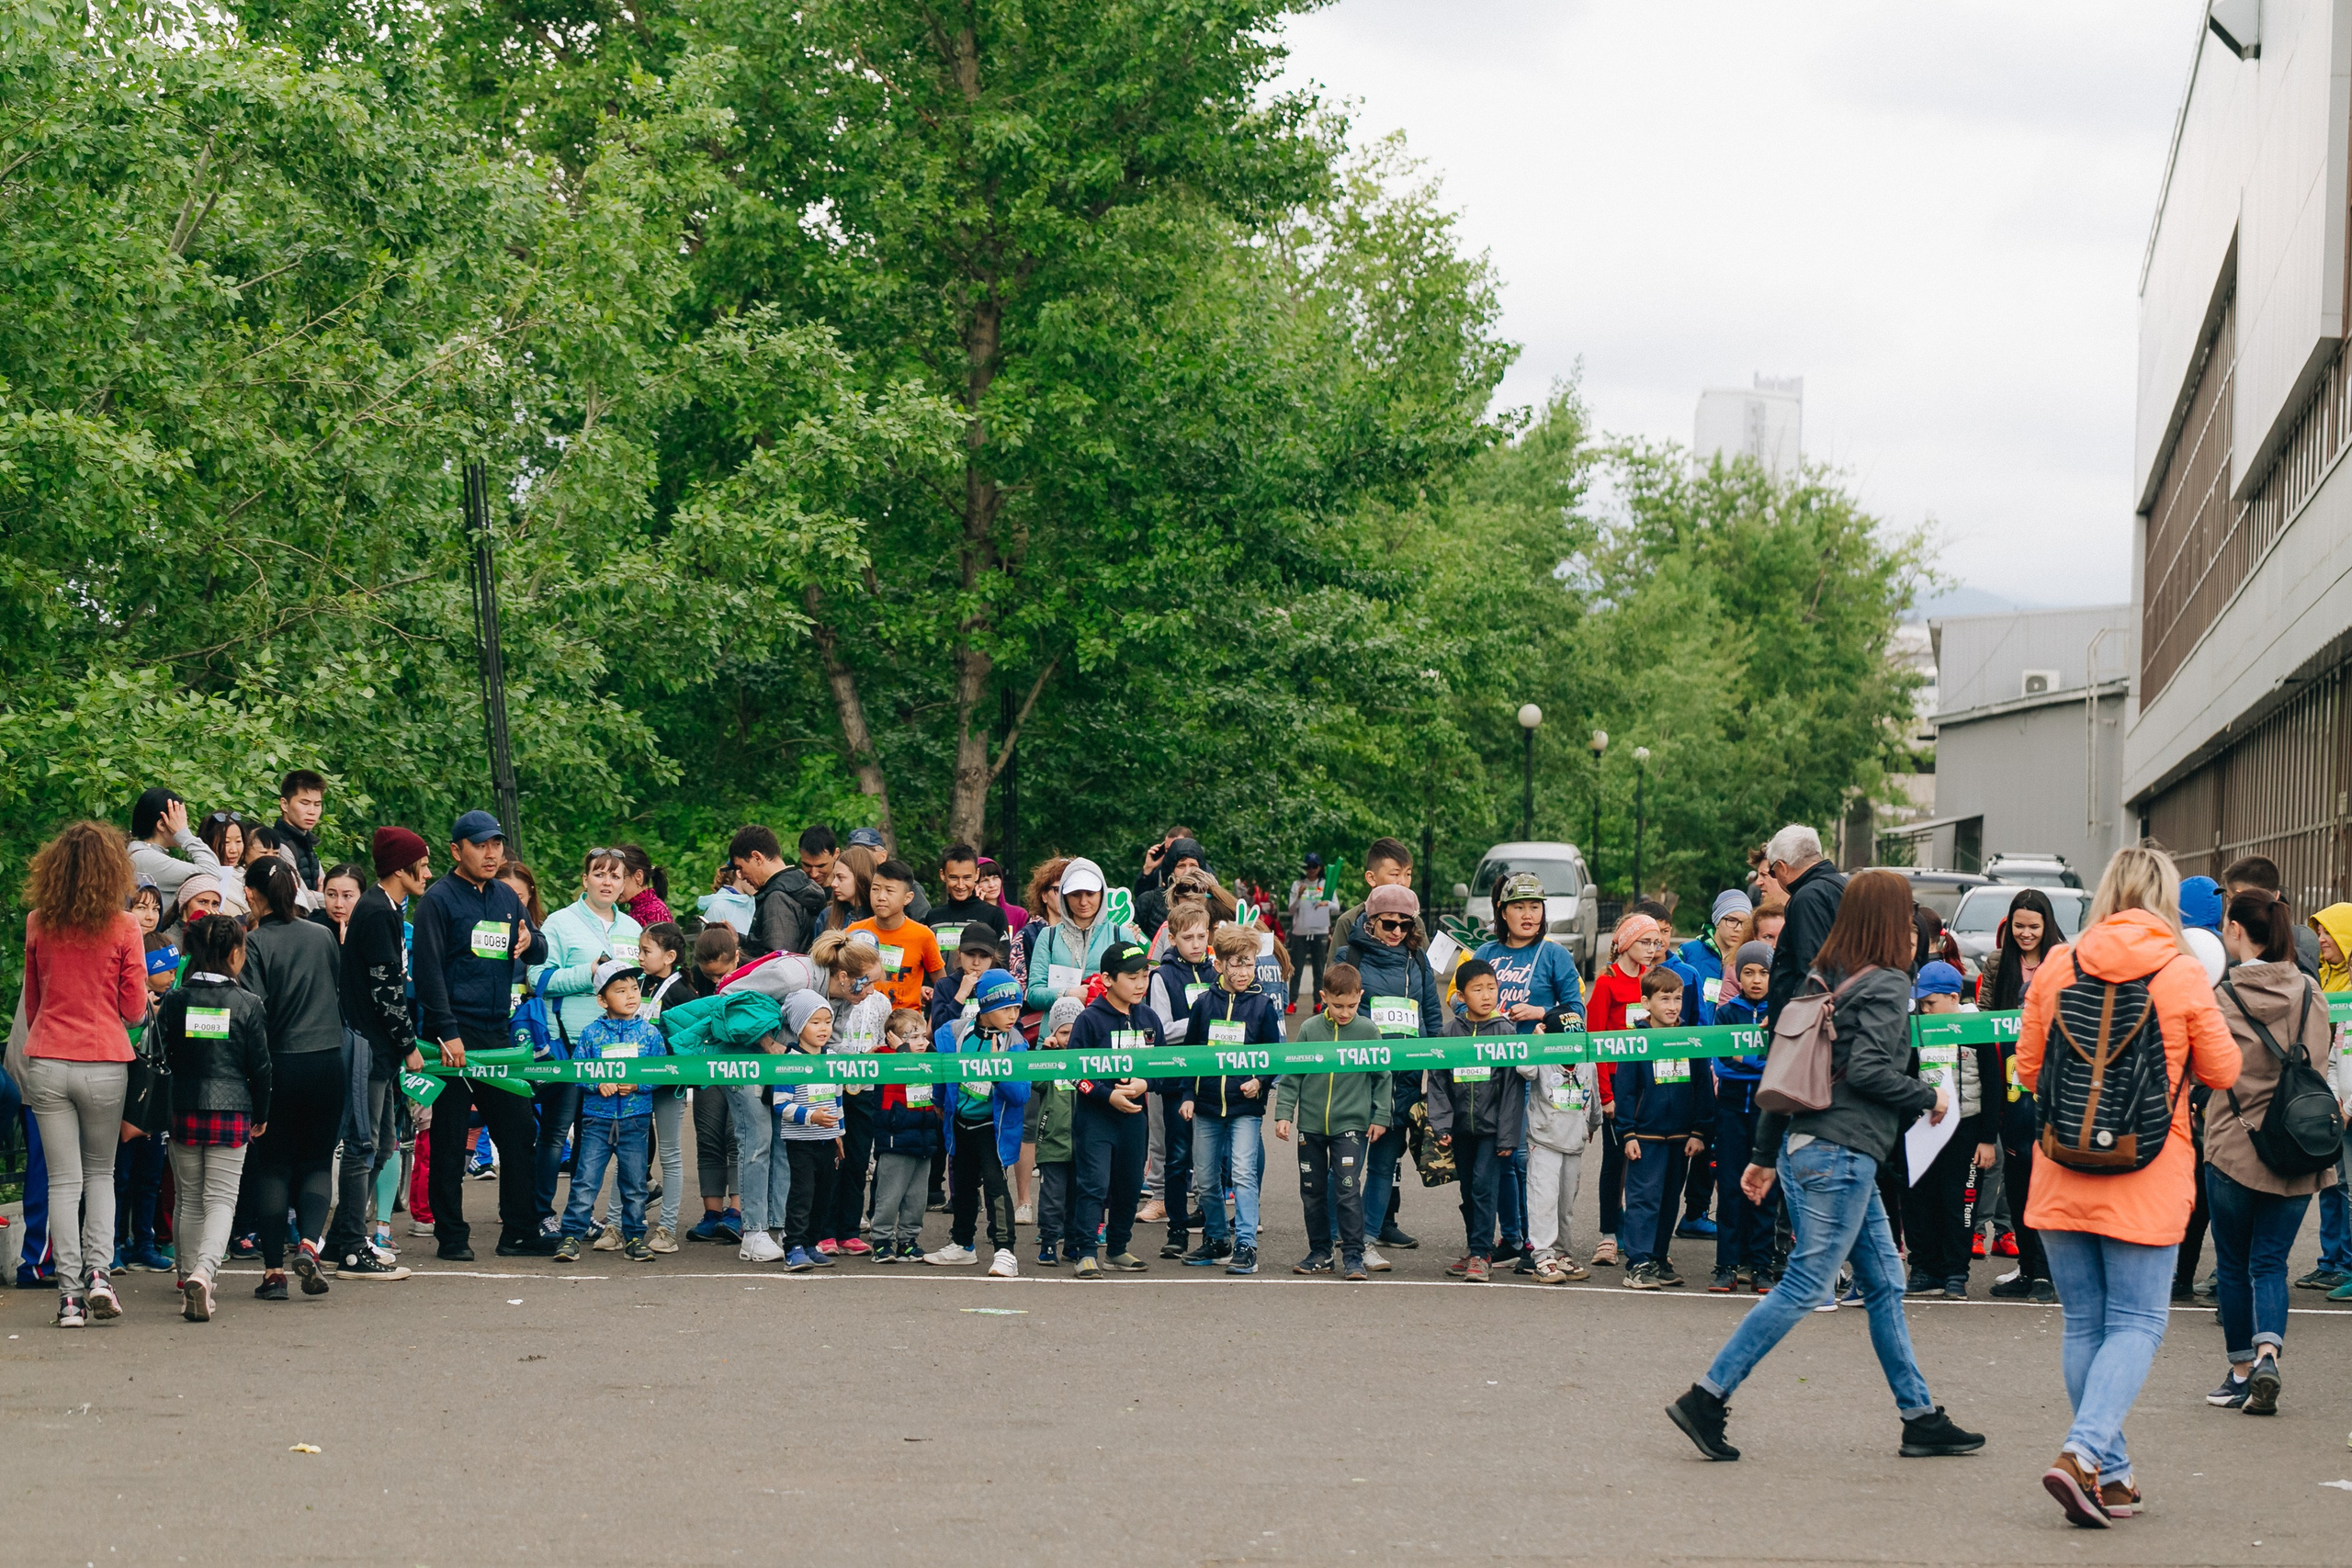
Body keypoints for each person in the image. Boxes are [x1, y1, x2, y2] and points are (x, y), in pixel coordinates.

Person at [1668, 868, 1981, 1465]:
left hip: (1810, 1145)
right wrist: (1929, 1096)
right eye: (1906, 915)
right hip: (1843, 1152)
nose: (1913, 928)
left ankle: (1920, 1417)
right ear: (1887, 920)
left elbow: (1785, 1064)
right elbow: (1867, 1071)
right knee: (1807, 1284)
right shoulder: (1886, 982)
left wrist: (1765, 1154)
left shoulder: (1822, 975)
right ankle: (1706, 1396)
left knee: (1884, 1282)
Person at [2018, 844, 2237, 1527]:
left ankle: (2110, 1477)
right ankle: (2084, 1452)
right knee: (2137, 1321)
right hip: (2148, 1171)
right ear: (2165, 899)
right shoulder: (2181, 970)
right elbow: (2223, 1070)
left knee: (2085, 1322)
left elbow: (2029, 1070)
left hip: (2060, 1167)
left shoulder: (2059, 964)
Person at [2202, 887, 2332, 1416]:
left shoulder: (2222, 996)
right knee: (2271, 1263)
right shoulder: (2311, 991)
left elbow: (2208, 1070)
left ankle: (2239, 1372)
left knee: (2233, 1265)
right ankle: (2268, 1356)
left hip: (2234, 1145)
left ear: (2236, 929)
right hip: (2300, 1143)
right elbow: (2318, 1059)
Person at [412, 810, 549, 1262]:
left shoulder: (507, 896)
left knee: (517, 1132)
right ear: (457, 850)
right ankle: (451, 1236)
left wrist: (532, 943)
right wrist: (447, 1031)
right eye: (480, 845)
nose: (491, 854)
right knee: (450, 1140)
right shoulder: (437, 900)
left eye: (496, 845)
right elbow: (427, 972)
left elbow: (537, 947)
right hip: (451, 1036)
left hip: (497, 1034)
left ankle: (519, 1232)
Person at [22, 821, 145, 1326]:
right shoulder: (125, 927)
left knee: (62, 1181)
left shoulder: (38, 922)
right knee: (100, 1174)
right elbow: (134, 1010)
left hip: (48, 1059)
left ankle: (69, 1297)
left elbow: (32, 1004)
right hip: (104, 1061)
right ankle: (99, 1274)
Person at [237, 857, 351, 1299]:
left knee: (274, 1166)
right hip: (328, 1059)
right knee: (317, 1161)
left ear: (251, 894)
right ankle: (308, 1245)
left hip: (279, 1063)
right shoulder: (322, 935)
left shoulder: (254, 943)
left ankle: (273, 1274)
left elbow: (254, 1010)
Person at [322, 829, 431, 1281]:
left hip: (378, 1049)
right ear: (401, 869)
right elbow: (386, 991)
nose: (427, 873)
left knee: (384, 1144)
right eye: (422, 865)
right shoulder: (376, 912)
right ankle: (349, 1248)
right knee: (363, 1145)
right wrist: (410, 1046)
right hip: (368, 1047)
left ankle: (340, 1239)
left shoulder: (385, 909)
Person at [155, 913, 273, 1321]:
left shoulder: (174, 1000)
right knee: (221, 1199)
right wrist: (261, 1112)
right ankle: (204, 1274)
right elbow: (261, 1067)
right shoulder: (248, 1003)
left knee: (188, 1198)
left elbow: (162, 1054)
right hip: (233, 1108)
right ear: (235, 954)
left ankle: (186, 1274)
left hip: (183, 1107)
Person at [529, 849, 644, 1239]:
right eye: (599, 874)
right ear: (585, 880)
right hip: (568, 1043)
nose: (607, 882)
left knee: (593, 1135)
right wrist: (590, 972)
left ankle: (580, 1214)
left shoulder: (632, 927)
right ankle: (541, 1214)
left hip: (616, 1049)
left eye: (615, 876)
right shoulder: (560, 923)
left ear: (625, 883)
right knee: (555, 1133)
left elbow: (637, 987)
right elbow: (538, 979)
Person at [1336, 881, 1441, 1257]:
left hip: (1405, 1081)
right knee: (1346, 1165)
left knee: (1384, 1167)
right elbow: (1335, 1012)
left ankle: (1365, 1241)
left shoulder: (1419, 961)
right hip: (1359, 1080)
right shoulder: (1350, 957)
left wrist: (1436, 1070)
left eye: (1405, 924)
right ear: (1370, 921)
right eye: (1389, 923)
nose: (1397, 931)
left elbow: (1432, 1016)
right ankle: (1335, 1236)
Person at [1178, 924, 1280, 1276]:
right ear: (1219, 964)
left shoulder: (1263, 1006)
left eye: (1249, 963)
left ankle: (1246, 1244)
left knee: (1243, 1174)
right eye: (1236, 963)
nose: (1243, 971)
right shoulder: (1204, 1004)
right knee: (1206, 1179)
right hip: (1206, 1106)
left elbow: (1273, 1057)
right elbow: (1190, 1054)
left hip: (1245, 1108)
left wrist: (1259, 1081)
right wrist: (1187, 1094)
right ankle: (1218, 1239)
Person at [548, 960, 666, 1263]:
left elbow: (662, 1072)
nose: (631, 995)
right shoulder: (591, 1034)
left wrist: (638, 1085)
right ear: (602, 1000)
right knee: (585, 1181)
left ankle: (635, 1238)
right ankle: (571, 1237)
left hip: (636, 1121)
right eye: (620, 990)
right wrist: (596, 1083)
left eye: (634, 988)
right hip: (596, 1121)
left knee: (634, 1183)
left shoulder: (650, 1034)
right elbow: (578, 1071)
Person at [1275, 961, 1387, 1280]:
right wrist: (1284, 1113)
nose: (1345, 1012)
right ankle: (1320, 1252)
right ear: (1323, 997)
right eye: (1338, 1005)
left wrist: (1381, 1114)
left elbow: (1382, 1076)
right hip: (1310, 1126)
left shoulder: (1368, 1031)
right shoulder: (1309, 1029)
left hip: (1351, 1125)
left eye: (1351, 1005)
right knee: (1311, 1191)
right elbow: (1293, 1074)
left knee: (1347, 1189)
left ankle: (1353, 1255)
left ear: (1360, 997)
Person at [1901, 962, 1997, 1301]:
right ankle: (1924, 1268)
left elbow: (1993, 1085)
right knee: (1918, 1201)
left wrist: (1987, 1139)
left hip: (1967, 1129)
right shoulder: (1918, 1029)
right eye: (1920, 1004)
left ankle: (1956, 1272)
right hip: (1925, 1127)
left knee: (1960, 1202)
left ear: (1954, 997)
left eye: (1930, 1003)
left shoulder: (1976, 1028)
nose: (1924, 1010)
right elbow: (1907, 1076)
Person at [1066, 942, 1163, 1278]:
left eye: (1144, 976)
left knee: (1129, 1187)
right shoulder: (1089, 1020)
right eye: (1132, 977)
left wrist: (1145, 1084)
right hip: (1095, 1119)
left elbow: (1165, 1068)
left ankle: (1118, 1249)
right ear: (1107, 979)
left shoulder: (1149, 1018)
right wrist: (1106, 1095)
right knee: (1093, 1185)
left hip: (1134, 1120)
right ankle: (1085, 1252)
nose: (1140, 984)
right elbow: (1073, 1074)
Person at [1616, 968, 1713, 1289]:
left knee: (1670, 1200)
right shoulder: (1636, 1040)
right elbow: (1626, 1091)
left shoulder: (1691, 1038)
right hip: (1645, 1136)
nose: (1673, 1006)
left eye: (1678, 999)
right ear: (1646, 1003)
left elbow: (1702, 1087)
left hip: (1681, 1137)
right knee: (1644, 1200)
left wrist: (1699, 1131)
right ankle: (1638, 1263)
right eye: (1665, 999)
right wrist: (1627, 1132)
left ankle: (1658, 1257)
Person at [930, 970, 1031, 1278]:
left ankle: (1005, 1251)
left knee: (996, 1186)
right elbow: (942, 1072)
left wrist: (998, 1071)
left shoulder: (1015, 1043)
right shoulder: (954, 1033)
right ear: (986, 1005)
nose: (1013, 1016)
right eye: (1005, 1008)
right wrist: (938, 1101)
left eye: (1017, 1008)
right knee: (961, 1186)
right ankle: (962, 1244)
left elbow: (1021, 1095)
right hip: (960, 1122)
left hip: (992, 1127)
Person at [1144, 905, 1216, 1256]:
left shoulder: (1217, 972)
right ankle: (1176, 1228)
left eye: (1202, 936)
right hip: (1175, 1079)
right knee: (1176, 1156)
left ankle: (1210, 1222)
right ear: (1172, 939)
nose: (1196, 943)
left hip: (1211, 1080)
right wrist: (1203, 1023)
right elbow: (1162, 1029)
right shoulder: (1162, 976)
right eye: (1188, 937)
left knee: (1209, 1156)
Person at [1707, 942, 1776, 1292]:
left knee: (1765, 1189)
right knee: (1731, 1187)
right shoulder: (1727, 1012)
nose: (1756, 980)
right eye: (1748, 972)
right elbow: (1721, 1065)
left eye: (1763, 972)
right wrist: (1757, 1060)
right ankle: (1726, 1265)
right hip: (1731, 1110)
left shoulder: (1779, 1013)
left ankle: (1761, 1265)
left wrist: (1743, 1058)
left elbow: (1779, 1064)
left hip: (1768, 1113)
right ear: (1738, 976)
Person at [772, 990, 843, 1270]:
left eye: (827, 1021)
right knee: (802, 1194)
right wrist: (810, 1116)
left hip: (828, 1141)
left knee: (824, 1195)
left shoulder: (833, 1059)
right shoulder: (789, 1062)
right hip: (801, 1141)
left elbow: (837, 1099)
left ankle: (812, 1244)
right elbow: (781, 1105)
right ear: (799, 1026)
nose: (823, 1028)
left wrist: (839, 1133)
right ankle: (794, 1246)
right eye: (815, 1022)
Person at [637, 922, 694, 1252]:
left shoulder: (682, 992)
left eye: (646, 951)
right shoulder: (638, 983)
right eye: (639, 950)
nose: (640, 957)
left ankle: (667, 1229)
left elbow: (690, 1039)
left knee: (670, 1155)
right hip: (637, 1081)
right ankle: (625, 1223)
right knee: (631, 1152)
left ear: (669, 957)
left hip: (669, 1084)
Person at [870, 1008, 944, 1262]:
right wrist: (901, 1050)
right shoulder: (888, 1059)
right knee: (890, 1196)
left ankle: (908, 1240)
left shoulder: (927, 1060)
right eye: (913, 1037)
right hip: (896, 1138)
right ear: (894, 1040)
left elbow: (938, 1059)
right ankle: (881, 1240)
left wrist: (924, 1044)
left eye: (923, 1036)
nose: (921, 1042)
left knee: (916, 1198)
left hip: (923, 1137)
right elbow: (900, 1072)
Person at [1024, 858, 1143, 1010]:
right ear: (1064, 897)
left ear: (1102, 894)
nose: (1083, 902)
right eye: (1075, 895)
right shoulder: (1048, 936)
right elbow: (1034, 994)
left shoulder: (1121, 935)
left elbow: (1135, 987)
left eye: (1090, 894)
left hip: (1107, 1023)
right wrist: (1068, 994)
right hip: (1059, 1024)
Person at [1760, 824, 1846, 1028]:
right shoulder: (1841, 886)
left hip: (1808, 1025)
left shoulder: (1808, 898)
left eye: (1772, 873)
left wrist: (1793, 1019)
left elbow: (1811, 970)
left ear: (1782, 867)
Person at [1025, 997, 1085, 1266]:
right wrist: (1045, 1053)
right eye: (1063, 1032)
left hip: (1084, 1143)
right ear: (1053, 1034)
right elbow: (1035, 1081)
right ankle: (1049, 1242)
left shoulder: (1087, 1060)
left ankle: (1072, 1244)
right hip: (1052, 1142)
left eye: (1075, 1031)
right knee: (1052, 1198)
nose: (1069, 1038)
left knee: (1077, 1198)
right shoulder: (1050, 1062)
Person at [729, 825, 831, 958]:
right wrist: (739, 939)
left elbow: (777, 961)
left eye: (740, 867)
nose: (741, 876)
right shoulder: (796, 889)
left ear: (757, 858)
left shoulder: (777, 899)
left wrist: (734, 959)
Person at [128, 787, 228, 901]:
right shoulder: (144, 858)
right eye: (181, 820)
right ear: (162, 825)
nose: (185, 825)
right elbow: (212, 873)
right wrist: (184, 835)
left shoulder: (143, 854)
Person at [929, 843, 1011, 957]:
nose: (960, 885)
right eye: (954, 878)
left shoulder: (995, 915)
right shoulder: (933, 917)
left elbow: (1003, 961)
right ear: (942, 875)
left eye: (967, 878)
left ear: (977, 874)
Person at [1285, 854, 1337, 1007]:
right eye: (1308, 866)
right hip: (1300, 932)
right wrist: (1299, 896)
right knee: (1296, 967)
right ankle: (1292, 1001)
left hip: (1320, 930)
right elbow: (1291, 910)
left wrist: (1326, 903)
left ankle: (1318, 1002)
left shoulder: (1326, 884)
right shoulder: (1297, 884)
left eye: (1315, 866)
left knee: (1319, 968)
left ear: (1320, 868)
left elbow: (1336, 907)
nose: (1311, 869)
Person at [275, 769, 328, 904]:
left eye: (317, 804)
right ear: (284, 804)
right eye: (305, 803)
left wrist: (320, 895)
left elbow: (328, 888)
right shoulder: (278, 845)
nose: (312, 811)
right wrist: (325, 898)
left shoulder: (305, 841)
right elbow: (302, 898)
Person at [313, 863, 365, 942]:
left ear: (362, 896)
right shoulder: (312, 929)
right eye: (332, 895)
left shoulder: (371, 929)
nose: (338, 904)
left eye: (347, 896)